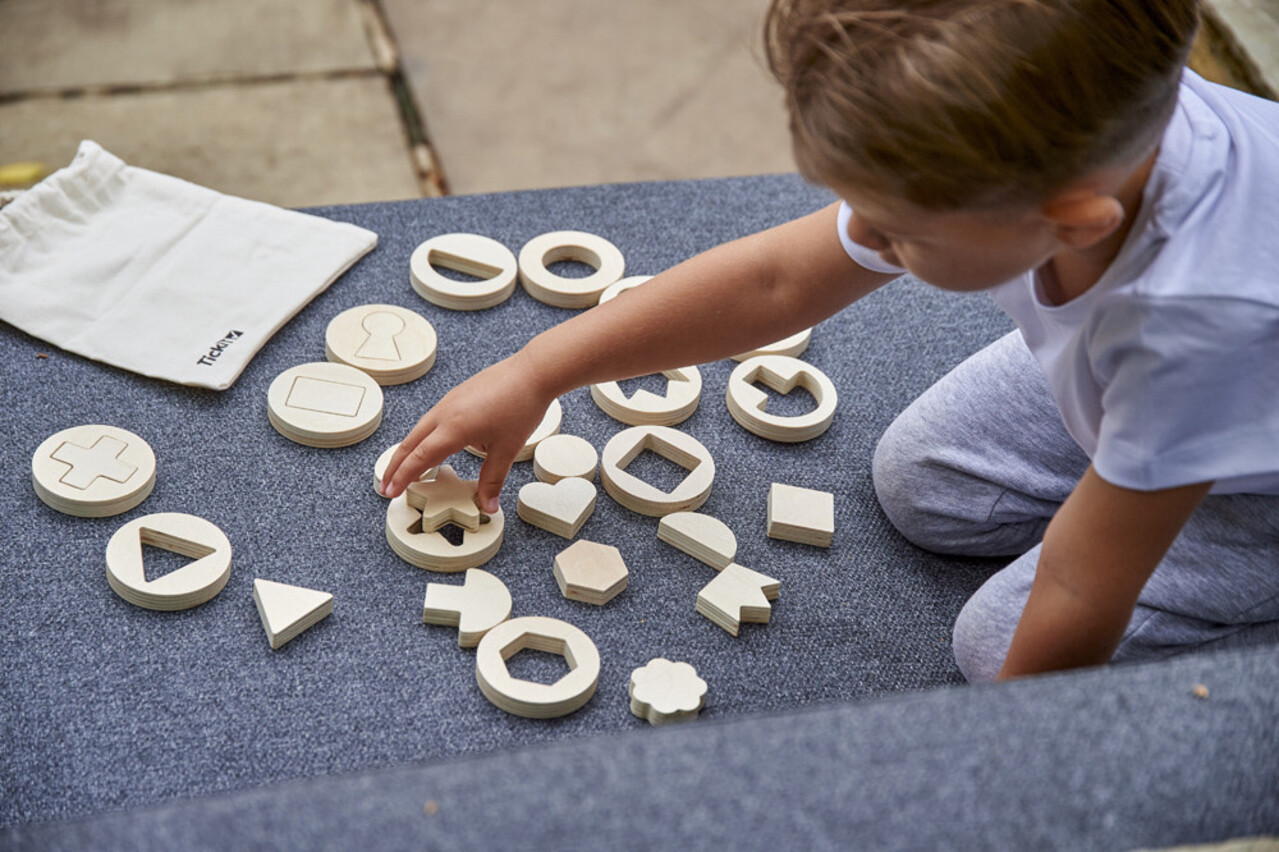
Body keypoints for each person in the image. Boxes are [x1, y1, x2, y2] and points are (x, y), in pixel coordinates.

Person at [381, 0, 1279, 682]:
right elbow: (779, 279)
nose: (869, 242)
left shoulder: (1190, 331)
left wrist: (1012, 771)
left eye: (897, 233)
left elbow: (1084, 591)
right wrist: (540, 368)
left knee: (998, 650)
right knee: (920, 484)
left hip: (1248, 467)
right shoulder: (1077, 129)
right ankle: (1119, 459)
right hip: (1145, 370)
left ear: (1071, 222)